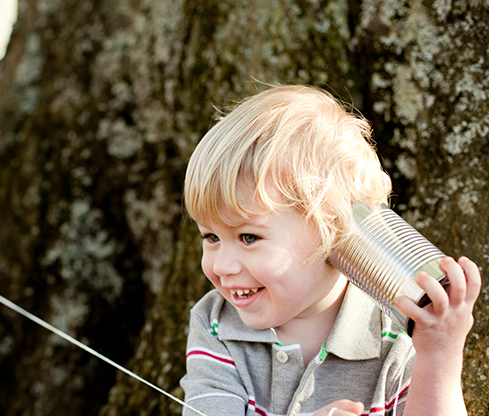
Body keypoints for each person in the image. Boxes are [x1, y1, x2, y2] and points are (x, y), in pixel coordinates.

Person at [179, 85, 480, 416]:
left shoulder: (397, 328)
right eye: (210, 237)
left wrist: (440, 354)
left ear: (332, 231)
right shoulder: (217, 324)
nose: (221, 266)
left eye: (248, 237)